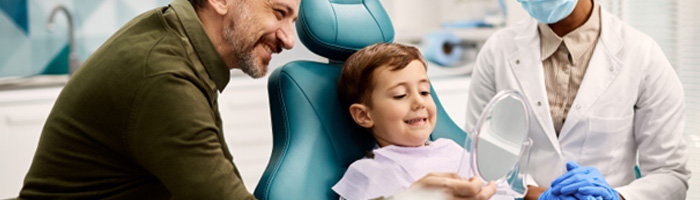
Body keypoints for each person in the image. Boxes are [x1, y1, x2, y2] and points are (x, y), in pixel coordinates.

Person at [18, 0, 298, 199]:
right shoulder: (165, 74)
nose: (289, 40)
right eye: (278, 12)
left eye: (293, 21)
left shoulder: (181, 49)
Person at [465, 0, 690, 199]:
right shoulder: (497, 51)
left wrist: (617, 197)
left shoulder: (643, 55)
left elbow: (670, 174)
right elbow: (476, 161)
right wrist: (536, 195)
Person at [332, 43, 498, 200]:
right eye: (400, 95)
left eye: (424, 92)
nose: (419, 102)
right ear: (364, 116)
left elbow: (500, 187)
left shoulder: (451, 149)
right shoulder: (369, 171)